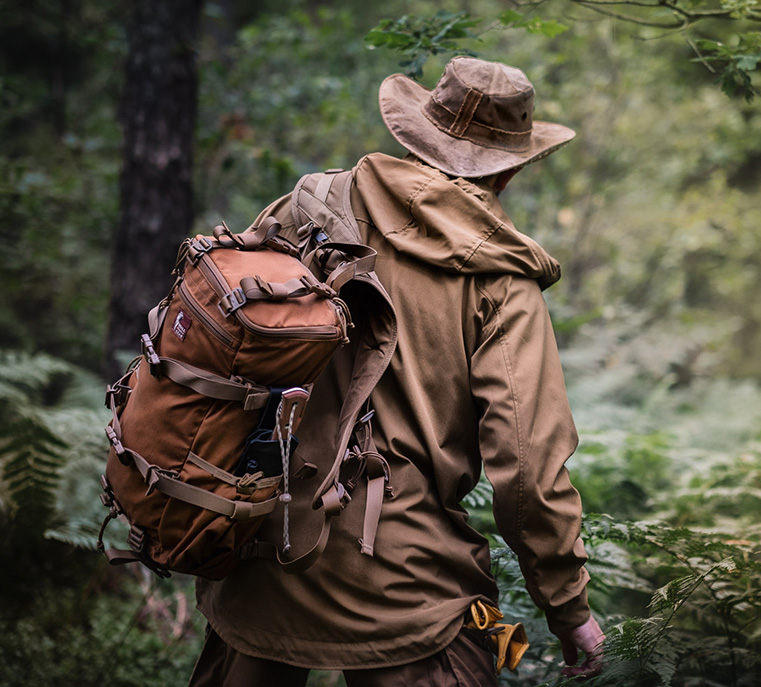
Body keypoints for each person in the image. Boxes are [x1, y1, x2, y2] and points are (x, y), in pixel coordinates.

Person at [191, 56, 605, 686]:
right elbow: (527, 465)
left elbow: (221, 334)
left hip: (262, 547)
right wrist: (567, 606)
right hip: (406, 586)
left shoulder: (310, 205)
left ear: (415, 134)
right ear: (513, 165)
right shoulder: (502, 281)